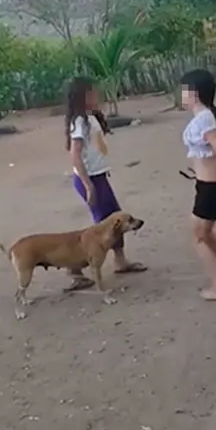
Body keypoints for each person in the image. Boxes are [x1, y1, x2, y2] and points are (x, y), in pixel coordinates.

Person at [64, 76, 148, 291]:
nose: (98, 96)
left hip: (98, 176)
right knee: (103, 228)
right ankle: (75, 269)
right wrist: (88, 185)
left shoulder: (90, 118)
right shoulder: (79, 122)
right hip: (90, 179)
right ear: (83, 97)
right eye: (93, 93)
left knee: (115, 220)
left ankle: (119, 261)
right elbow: (75, 155)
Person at [180, 69, 216, 301]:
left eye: (184, 90)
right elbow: (210, 152)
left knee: (199, 236)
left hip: (212, 188)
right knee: (206, 233)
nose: (181, 95)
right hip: (208, 185)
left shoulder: (204, 118)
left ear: (194, 93)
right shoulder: (204, 116)